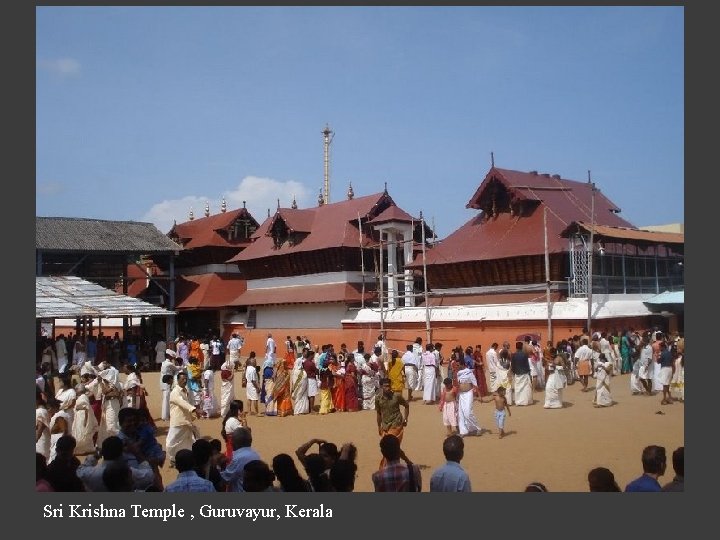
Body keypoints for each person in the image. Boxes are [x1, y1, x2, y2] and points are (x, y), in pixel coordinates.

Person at [76, 435, 155, 492]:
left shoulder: (90, 473)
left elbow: (80, 470)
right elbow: (151, 476)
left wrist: (96, 456)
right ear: (121, 453)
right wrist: (137, 453)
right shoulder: (127, 472)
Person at [165, 371, 202, 466]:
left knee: (189, 440)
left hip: (186, 420)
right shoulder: (175, 392)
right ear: (177, 380)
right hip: (178, 421)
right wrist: (194, 410)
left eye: (186, 379)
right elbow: (182, 403)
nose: (185, 381)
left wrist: (194, 411)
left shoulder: (186, 390)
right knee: (171, 442)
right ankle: (173, 459)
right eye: (182, 379)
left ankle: (188, 458)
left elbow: (188, 403)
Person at [220, 427, 261, 492]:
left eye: (232, 440)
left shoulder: (239, 458)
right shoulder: (256, 454)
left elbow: (224, 479)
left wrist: (220, 465)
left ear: (234, 442)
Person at [376, 378, 410, 447]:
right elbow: (378, 413)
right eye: (385, 386)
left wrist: (406, 419)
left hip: (396, 424)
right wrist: (379, 426)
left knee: (390, 446)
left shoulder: (397, 396)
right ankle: (405, 458)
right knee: (389, 447)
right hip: (385, 426)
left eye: (389, 386)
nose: (388, 388)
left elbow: (406, 405)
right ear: (381, 387)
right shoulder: (378, 398)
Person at [455, 360, 481, 437]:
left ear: (463, 365)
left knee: (468, 412)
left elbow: (475, 384)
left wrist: (479, 395)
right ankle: (463, 431)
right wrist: (457, 395)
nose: (457, 366)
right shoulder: (458, 374)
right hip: (461, 394)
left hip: (468, 394)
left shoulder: (469, 373)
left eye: (458, 364)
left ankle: (477, 428)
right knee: (461, 414)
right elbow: (458, 384)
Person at [72, 383, 99, 454]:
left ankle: (83, 448)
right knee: (78, 431)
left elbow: (87, 409)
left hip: (82, 416)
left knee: (83, 431)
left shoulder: (83, 397)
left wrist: (86, 420)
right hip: (79, 416)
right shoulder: (80, 396)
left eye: (76, 389)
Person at [160, 349, 181, 421]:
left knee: (166, 398)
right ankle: (165, 416)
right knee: (166, 399)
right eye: (172, 357)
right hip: (167, 383)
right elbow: (176, 368)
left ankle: (166, 415)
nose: (173, 358)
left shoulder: (163, 363)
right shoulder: (169, 364)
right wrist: (181, 365)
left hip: (164, 382)